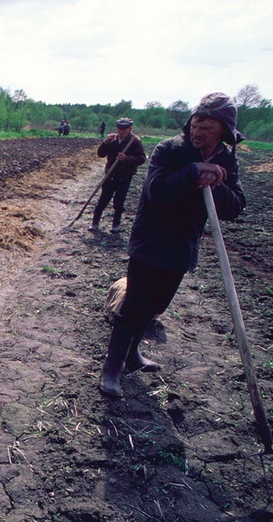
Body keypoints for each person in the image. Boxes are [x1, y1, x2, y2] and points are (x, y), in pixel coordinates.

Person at [98, 93, 246, 399]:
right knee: (135, 304)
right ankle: (112, 367)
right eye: (196, 122)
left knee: (157, 305)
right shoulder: (170, 149)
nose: (198, 130)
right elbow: (156, 191)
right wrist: (194, 172)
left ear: (224, 129)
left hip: (182, 245)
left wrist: (216, 182)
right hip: (151, 240)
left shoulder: (226, 159)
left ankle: (132, 354)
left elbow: (235, 207)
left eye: (208, 125)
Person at [89, 118, 146, 233]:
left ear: (130, 129)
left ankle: (116, 225)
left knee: (119, 202)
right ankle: (94, 223)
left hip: (125, 176)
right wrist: (106, 143)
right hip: (110, 174)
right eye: (120, 129)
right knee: (103, 199)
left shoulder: (135, 141)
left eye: (124, 129)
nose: (121, 132)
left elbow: (141, 158)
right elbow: (100, 154)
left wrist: (126, 159)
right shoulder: (112, 139)